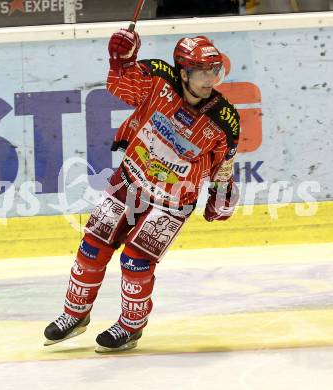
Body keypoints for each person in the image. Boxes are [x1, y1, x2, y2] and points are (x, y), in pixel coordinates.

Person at [44, 29, 240, 353]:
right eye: (202, 72)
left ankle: (130, 326)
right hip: (130, 179)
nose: (210, 79)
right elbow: (119, 83)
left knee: (136, 261)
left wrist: (220, 197)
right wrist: (121, 57)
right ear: (183, 71)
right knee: (92, 246)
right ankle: (74, 314)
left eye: (214, 71)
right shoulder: (158, 79)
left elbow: (224, 165)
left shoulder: (224, 120)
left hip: (173, 202)